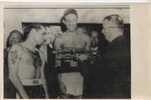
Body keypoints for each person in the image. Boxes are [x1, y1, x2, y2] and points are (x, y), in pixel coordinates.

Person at [54, 8, 91, 98]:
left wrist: (86, 57)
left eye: (74, 20)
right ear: (64, 21)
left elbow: (90, 58)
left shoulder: (85, 38)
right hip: (65, 76)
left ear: (77, 20)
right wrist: (60, 82)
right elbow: (57, 63)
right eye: (68, 20)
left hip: (81, 76)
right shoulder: (59, 39)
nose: (71, 23)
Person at [8, 24, 50, 99]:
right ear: (33, 32)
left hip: (39, 90)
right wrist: (25, 97)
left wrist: (47, 95)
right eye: (43, 34)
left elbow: (42, 77)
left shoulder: (40, 53)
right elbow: (12, 75)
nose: (45, 37)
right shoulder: (17, 48)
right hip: (24, 90)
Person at [96, 14, 131, 98]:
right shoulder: (125, 44)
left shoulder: (114, 48)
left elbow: (100, 77)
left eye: (104, 28)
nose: (102, 31)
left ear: (113, 29)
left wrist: (83, 62)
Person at [4, 30, 23, 98]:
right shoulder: (3, 52)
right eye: (11, 37)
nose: (13, 39)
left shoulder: (23, 54)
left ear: (21, 41)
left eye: (16, 37)